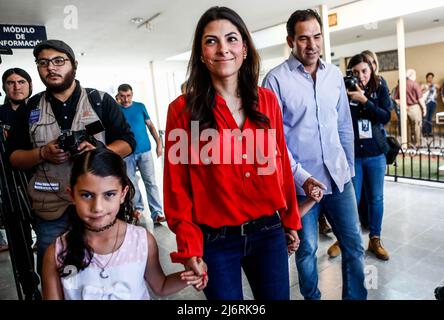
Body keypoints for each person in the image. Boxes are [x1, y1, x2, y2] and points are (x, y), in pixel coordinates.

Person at [164, 6, 301, 300]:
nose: (223, 48)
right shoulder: (182, 111)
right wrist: (189, 247)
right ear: (201, 53)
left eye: (231, 39)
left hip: (268, 233)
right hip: (215, 241)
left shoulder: (268, 102)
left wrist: (289, 222)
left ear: (245, 49)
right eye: (211, 41)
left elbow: (282, 168)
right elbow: (177, 187)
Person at [262, 9, 367, 300]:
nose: (312, 44)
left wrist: (348, 168)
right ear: (291, 41)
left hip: (338, 179)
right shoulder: (275, 80)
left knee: (354, 245)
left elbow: (344, 125)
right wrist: (301, 180)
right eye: (303, 38)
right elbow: (274, 142)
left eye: (317, 36)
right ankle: (312, 298)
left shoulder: (334, 75)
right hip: (299, 187)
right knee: (306, 249)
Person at [8, 39, 136, 275]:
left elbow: (128, 142)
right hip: (51, 209)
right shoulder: (31, 108)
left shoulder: (100, 100)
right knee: (55, 274)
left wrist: (99, 151)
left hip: (100, 205)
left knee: (108, 271)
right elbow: (14, 157)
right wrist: (42, 153)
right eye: (43, 63)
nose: (51, 68)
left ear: (74, 65)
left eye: (59, 61)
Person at [42, 148, 204, 299]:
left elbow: (160, 286)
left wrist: (190, 276)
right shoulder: (56, 253)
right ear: (72, 196)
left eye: (109, 194)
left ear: (123, 194)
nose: (97, 207)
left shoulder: (142, 241)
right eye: (86, 195)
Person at [329, 54, 392, 261]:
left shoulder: (379, 87)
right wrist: (349, 98)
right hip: (353, 154)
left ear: (371, 69)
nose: (361, 76)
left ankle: (375, 238)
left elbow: (385, 116)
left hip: (375, 153)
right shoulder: (345, 89)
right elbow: (338, 119)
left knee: (376, 198)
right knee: (351, 199)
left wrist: (365, 100)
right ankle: (344, 238)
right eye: (355, 72)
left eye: (364, 71)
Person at [1, 68, 41, 299]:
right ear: (4, 87)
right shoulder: (0, 114)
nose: (16, 86)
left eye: (21, 81)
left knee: (48, 238)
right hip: (9, 188)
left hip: (41, 185)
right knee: (20, 246)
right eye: (10, 82)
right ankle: (29, 287)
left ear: (29, 84)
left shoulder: (40, 109)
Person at [117, 84, 166, 225]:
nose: (126, 99)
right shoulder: (116, 110)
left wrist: (159, 143)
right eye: (122, 96)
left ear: (132, 94)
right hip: (126, 153)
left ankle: (157, 213)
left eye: (128, 96)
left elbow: (150, 125)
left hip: (144, 151)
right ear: (118, 96)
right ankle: (137, 209)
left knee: (150, 182)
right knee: (131, 182)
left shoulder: (140, 106)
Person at [393, 69, 426, 147]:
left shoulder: (400, 84)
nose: (415, 76)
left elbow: (396, 99)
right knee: (417, 127)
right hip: (414, 107)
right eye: (415, 74)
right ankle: (417, 144)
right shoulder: (414, 84)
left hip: (404, 108)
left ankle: (407, 144)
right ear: (411, 75)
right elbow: (420, 99)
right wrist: (424, 108)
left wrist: (404, 106)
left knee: (406, 127)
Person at [422, 72, 438, 137]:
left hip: (433, 102)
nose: (430, 79)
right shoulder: (424, 85)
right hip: (426, 103)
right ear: (427, 78)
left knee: (430, 118)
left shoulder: (435, 85)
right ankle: (424, 132)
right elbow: (420, 93)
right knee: (425, 117)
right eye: (429, 77)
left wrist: (436, 94)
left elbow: (438, 90)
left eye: (432, 77)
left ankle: (430, 132)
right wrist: (427, 89)